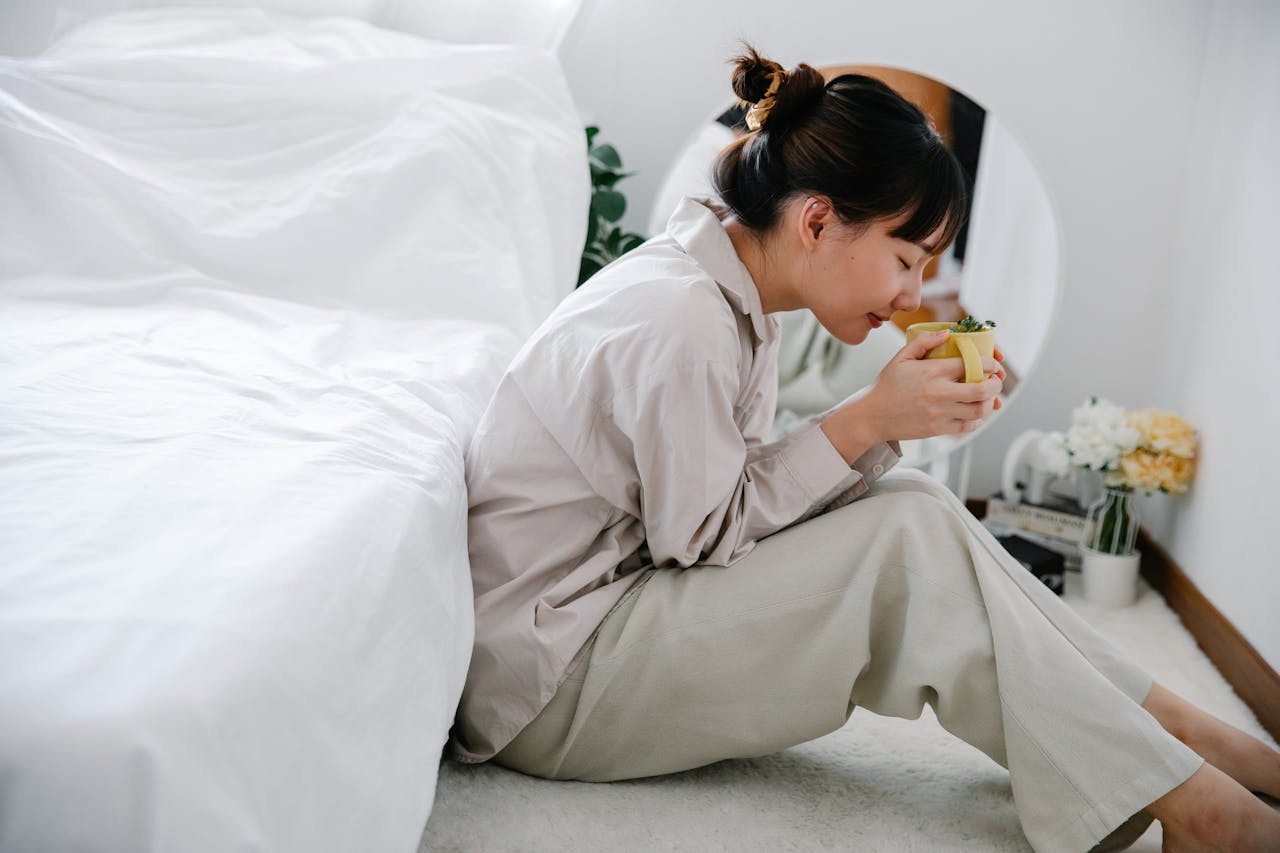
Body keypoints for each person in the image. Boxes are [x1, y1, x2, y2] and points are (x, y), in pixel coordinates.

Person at [448, 44, 1280, 852]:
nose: (914, 296)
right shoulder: (684, 321)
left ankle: (1176, 734)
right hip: (554, 686)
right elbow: (701, 541)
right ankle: (1198, 805)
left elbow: (716, 506)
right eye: (905, 258)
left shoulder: (724, 293)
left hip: (599, 620)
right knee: (905, 537)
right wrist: (867, 419)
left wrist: (879, 424)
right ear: (817, 219)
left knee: (917, 506)